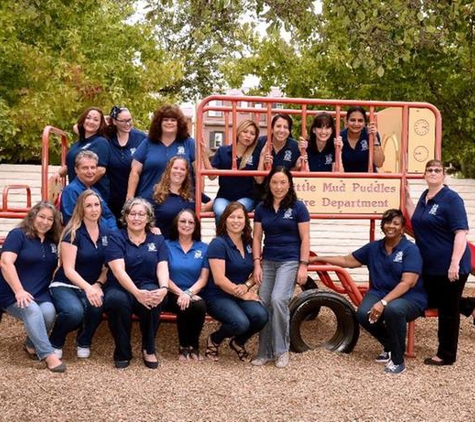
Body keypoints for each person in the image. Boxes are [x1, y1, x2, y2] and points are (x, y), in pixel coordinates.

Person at [312, 209, 427, 374]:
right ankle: (390, 345)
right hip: (379, 291)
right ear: (382, 225)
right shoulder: (374, 247)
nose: (391, 226)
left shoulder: (410, 250)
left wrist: (383, 302)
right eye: (388, 222)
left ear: (402, 228)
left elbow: (408, 282)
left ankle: (397, 361)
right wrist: (318, 259)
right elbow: (346, 260)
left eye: (396, 223)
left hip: (409, 296)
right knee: (362, 314)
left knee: (394, 310)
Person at [406, 159, 471, 366]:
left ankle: (446, 355)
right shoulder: (425, 197)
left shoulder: (452, 199)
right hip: (430, 268)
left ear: (444, 174)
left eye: (437, 170)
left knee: (448, 312)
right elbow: (415, 218)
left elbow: (461, 232)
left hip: (450, 266)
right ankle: (471, 305)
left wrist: (454, 263)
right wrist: (406, 196)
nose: (433, 173)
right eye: (429, 170)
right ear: (424, 174)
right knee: (431, 302)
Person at [252, 166, 310, 368]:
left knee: (278, 300)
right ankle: (264, 351)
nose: (278, 187)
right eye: (275, 182)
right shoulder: (261, 208)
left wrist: (303, 266)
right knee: (264, 302)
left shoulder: (298, 207)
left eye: (283, 182)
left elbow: (305, 238)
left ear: (289, 184)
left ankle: (281, 350)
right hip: (268, 261)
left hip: (290, 260)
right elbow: (257, 237)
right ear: (269, 184)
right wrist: (256, 264)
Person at [103, 198, 169, 369]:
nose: (137, 218)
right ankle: (122, 351)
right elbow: (118, 271)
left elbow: (162, 266)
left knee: (154, 299)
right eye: (132, 214)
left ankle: (149, 348)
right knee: (115, 301)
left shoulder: (157, 238)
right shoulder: (115, 237)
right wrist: (136, 293)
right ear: (125, 216)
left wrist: (163, 288)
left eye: (141, 214)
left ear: (148, 218)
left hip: (147, 283)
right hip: (120, 284)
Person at [0, 202, 66, 372]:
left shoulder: (52, 241)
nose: (45, 222)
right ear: (33, 216)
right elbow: (6, 263)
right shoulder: (18, 235)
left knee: (49, 312)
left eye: (50, 219)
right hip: (13, 292)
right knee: (33, 310)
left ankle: (31, 345)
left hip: (40, 293)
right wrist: (19, 291)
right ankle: (48, 355)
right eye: (41, 217)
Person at [203, 202, 268, 362]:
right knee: (240, 323)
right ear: (224, 220)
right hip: (218, 295)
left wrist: (246, 286)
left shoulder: (249, 243)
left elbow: (256, 271)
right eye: (232, 217)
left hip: (239, 293)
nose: (236, 221)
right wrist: (244, 294)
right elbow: (219, 279)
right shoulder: (218, 243)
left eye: (240, 217)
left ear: (246, 220)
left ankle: (238, 342)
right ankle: (214, 339)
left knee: (261, 316)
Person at [49, 190, 108, 359]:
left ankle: (84, 341)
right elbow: (68, 270)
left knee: (97, 305)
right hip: (65, 284)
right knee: (73, 312)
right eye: (88, 205)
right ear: (81, 209)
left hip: (90, 285)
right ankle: (56, 341)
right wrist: (89, 288)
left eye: (96, 205)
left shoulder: (106, 231)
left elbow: (107, 267)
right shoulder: (73, 232)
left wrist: (97, 284)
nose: (93, 209)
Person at [127, 105, 195, 203]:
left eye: (173, 120)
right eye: (165, 120)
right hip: (148, 201)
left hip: (180, 201)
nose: (169, 123)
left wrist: (197, 199)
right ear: (159, 123)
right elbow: (135, 171)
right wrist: (130, 197)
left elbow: (198, 174)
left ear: (179, 123)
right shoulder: (148, 143)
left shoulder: (189, 143)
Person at [165, 209, 209, 361]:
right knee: (184, 304)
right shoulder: (166, 245)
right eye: (183, 221)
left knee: (199, 305)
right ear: (176, 224)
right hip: (171, 292)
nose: (186, 225)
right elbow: (164, 276)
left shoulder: (204, 248)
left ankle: (194, 345)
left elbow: (203, 278)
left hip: (194, 291)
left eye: (191, 222)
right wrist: (180, 293)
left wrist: (188, 293)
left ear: (196, 226)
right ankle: (184, 346)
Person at [201, 119, 263, 223]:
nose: (248, 135)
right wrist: (204, 155)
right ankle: (222, 239)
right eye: (245, 131)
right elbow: (212, 176)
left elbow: (259, 180)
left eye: (252, 134)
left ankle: (237, 238)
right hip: (224, 196)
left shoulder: (255, 154)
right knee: (220, 212)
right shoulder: (223, 151)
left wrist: (262, 158)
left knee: (235, 211)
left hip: (246, 197)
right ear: (238, 132)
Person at [57, 107, 111, 201]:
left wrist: (81, 187)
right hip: (75, 192)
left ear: (100, 124)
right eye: (88, 118)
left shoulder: (101, 142)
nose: (91, 121)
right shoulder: (78, 144)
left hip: (92, 194)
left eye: (96, 120)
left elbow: (101, 170)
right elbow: (69, 165)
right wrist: (57, 174)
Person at [152, 156, 212, 239]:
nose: (178, 171)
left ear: (187, 173)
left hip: (189, 245)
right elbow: (147, 217)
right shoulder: (156, 193)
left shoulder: (193, 192)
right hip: (164, 244)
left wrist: (205, 207)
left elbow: (213, 202)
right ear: (169, 170)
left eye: (182, 169)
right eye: (175, 168)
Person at [105, 106, 147, 221]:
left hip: (136, 196)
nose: (127, 124)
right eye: (123, 121)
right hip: (112, 197)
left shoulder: (141, 138)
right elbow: (78, 128)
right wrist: (105, 119)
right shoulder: (107, 138)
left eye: (129, 120)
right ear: (114, 121)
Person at [60, 150, 117, 230]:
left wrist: (114, 233)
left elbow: (108, 215)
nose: (90, 171)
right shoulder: (71, 191)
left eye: (93, 167)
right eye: (85, 168)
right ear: (76, 170)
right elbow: (72, 222)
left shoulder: (94, 191)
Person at [256, 113, 303, 183]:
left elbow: (292, 177)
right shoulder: (260, 142)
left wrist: (296, 168)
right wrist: (263, 159)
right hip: (262, 190)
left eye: (285, 127)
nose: (282, 130)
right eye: (278, 126)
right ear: (272, 129)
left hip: (284, 190)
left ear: (289, 131)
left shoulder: (295, 147)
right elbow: (259, 180)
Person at [340, 106, 385, 172]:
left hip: (368, 179)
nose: (356, 124)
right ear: (346, 120)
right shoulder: (340, 136)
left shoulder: (370, 134)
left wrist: (375, 139)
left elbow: (379, 163)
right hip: (346, 180)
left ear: (364, 123)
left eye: (360, 120)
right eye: (352, 120)